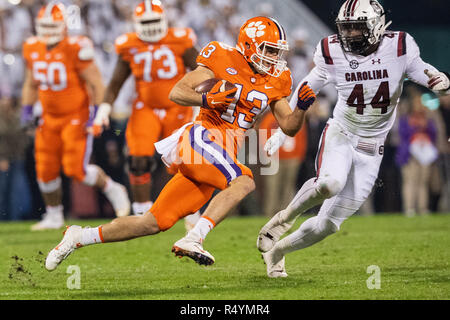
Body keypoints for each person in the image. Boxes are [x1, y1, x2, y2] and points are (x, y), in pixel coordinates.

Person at [44, 15, 316, 271]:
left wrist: (301, 107)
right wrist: (207, 100)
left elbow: (289, 126)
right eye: (268, 50)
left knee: (153, 222)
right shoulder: (222, 57)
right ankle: (194, 237)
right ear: (249, 45)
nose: (274, 57)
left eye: (276, 51)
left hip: (219, 154)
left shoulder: (278, 78)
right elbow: (178, 92)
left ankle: (79, 236)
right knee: (244, 180)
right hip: (202, 138)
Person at [256, 0, 450, 278]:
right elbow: (308, 85)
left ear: (376, 26)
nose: (349, 35)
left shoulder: (399, 46)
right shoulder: (332, 49)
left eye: (357, 29)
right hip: (343, 133)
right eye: (345, 29)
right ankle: (283, 219)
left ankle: (278, 252)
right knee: (330, 183)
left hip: (373, 148)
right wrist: (282, 126)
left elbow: (418, 68)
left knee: (328, 225)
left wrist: (437, 79)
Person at [21, 2, 130, 230]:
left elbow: (96, 83)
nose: (49, 31)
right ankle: (53, 215)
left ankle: (112, 188)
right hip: (48, 117)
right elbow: (32, 83)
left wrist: (98, 114)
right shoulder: (32, 47)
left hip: (76, 116)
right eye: (45, 26)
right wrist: (27, 109)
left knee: (75, 169)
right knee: (45, 168)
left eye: (53, 26)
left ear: (63, 26)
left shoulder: (76, 47)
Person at [91, 0, 200, 224]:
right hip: (146, 107)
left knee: (185, 163)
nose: (150, 26)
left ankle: (190, 211)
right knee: (137, 159)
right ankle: (142, 212)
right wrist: (104, 109)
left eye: (154, 21)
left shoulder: (181, 39)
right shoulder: (129, 44)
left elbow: (201, 73)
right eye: (146, 22)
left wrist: (201, 104)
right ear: (136, 23)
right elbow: (115, 83)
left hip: (178, 107)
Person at [396, 91, 438, 216]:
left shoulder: (428, 118)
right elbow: (402, 135)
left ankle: (423, 208)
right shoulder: (405, 118)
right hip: (409, 154)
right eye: (417, 102)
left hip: (424, 153)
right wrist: (414, 129)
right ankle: (409, 208)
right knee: (410, 181)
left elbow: (435, 134)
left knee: (423, 182)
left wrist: (426, 129)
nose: (419, 105)